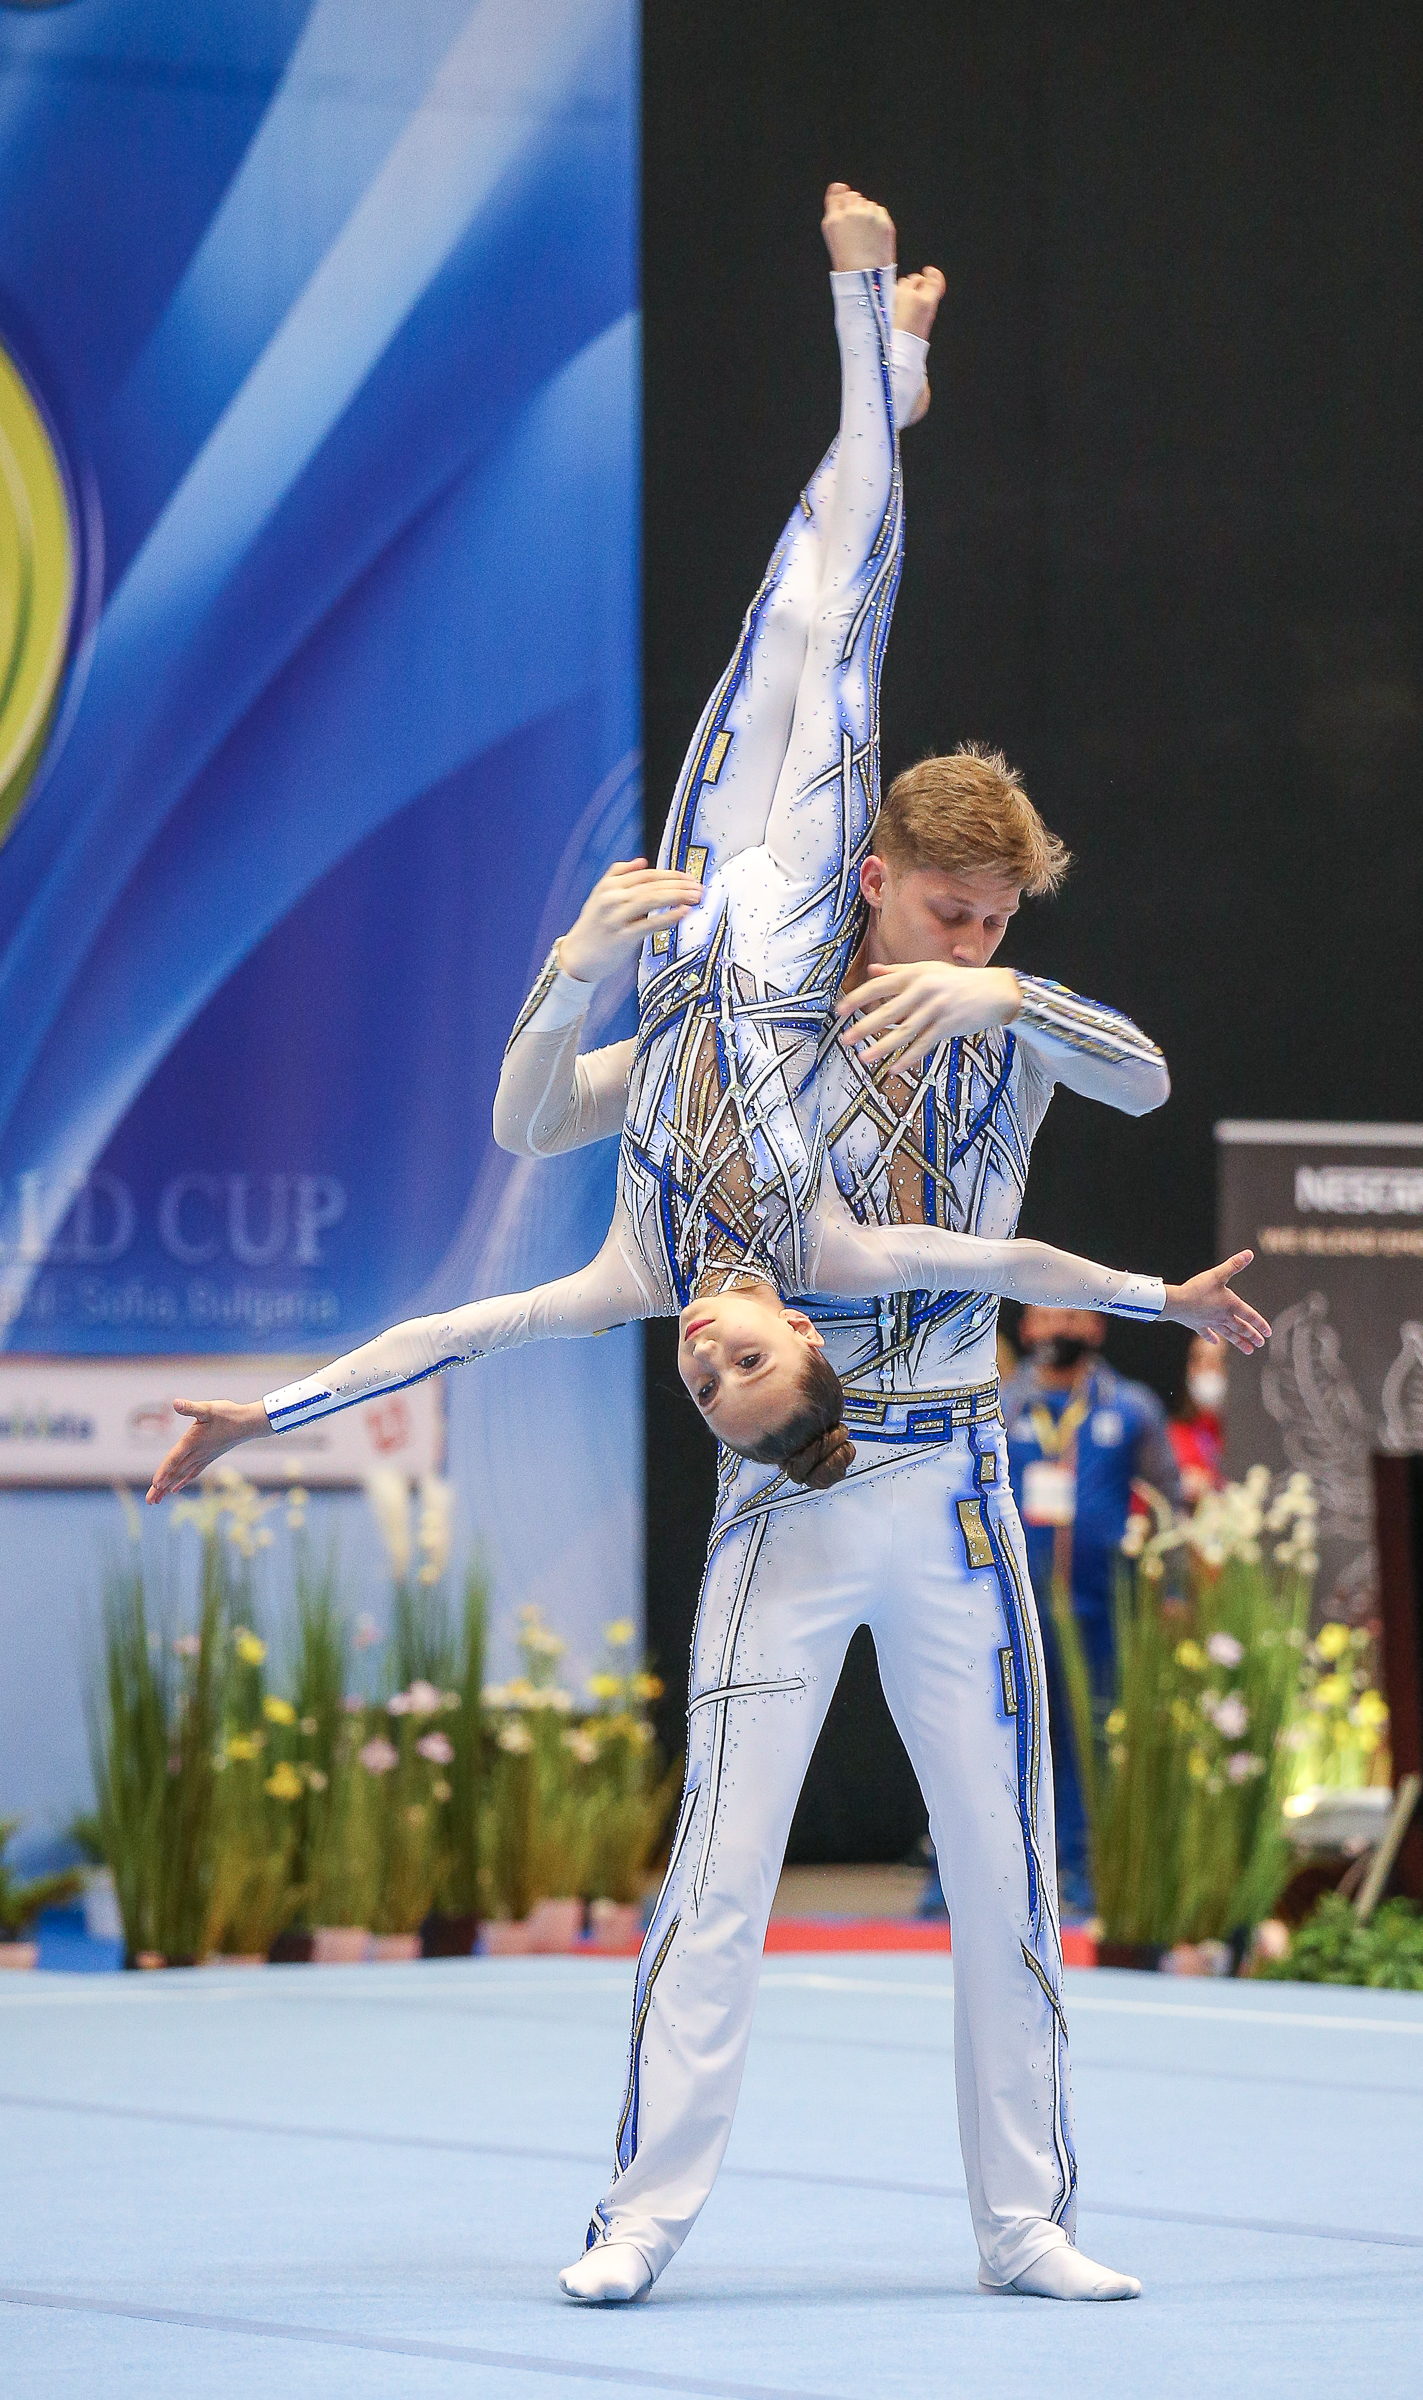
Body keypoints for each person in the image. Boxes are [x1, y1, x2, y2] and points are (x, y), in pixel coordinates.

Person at [147, 188, 1267, 2309]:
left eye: (997, 918)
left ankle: (1024, 2218)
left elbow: (1127, 1091)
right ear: (880, 877)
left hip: (943, 1478)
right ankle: (641, 2219)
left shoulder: (931, 1049)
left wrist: (1003, 997)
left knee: (1005, 1867)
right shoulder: (775, 1147)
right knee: (718, 1881)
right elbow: (535, 1229)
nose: (969, 933)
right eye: (952, 912)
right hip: (802, 1485)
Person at [1003, 1307, 1180, 1910]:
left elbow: (1169, 1503)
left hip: (1101, 1607)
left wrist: (1173, 1591)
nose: (1061, 1330)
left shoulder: (1131, 1407)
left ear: (1097, 1328)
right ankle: (981, 1876)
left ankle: (1083, 1869)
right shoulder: (1001, 1404)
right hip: (1013, 1607)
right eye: (1048, 1317)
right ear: (1027, 1327)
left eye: (1074, 1317)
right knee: (1002, 1738)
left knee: (1091, 1738)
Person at [1169, 1331, 1228, 1502]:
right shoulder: (1174, 1435)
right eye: (1199, 1360)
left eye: (1218, 1360)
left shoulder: (1253, 1435)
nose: (1207, 1369)